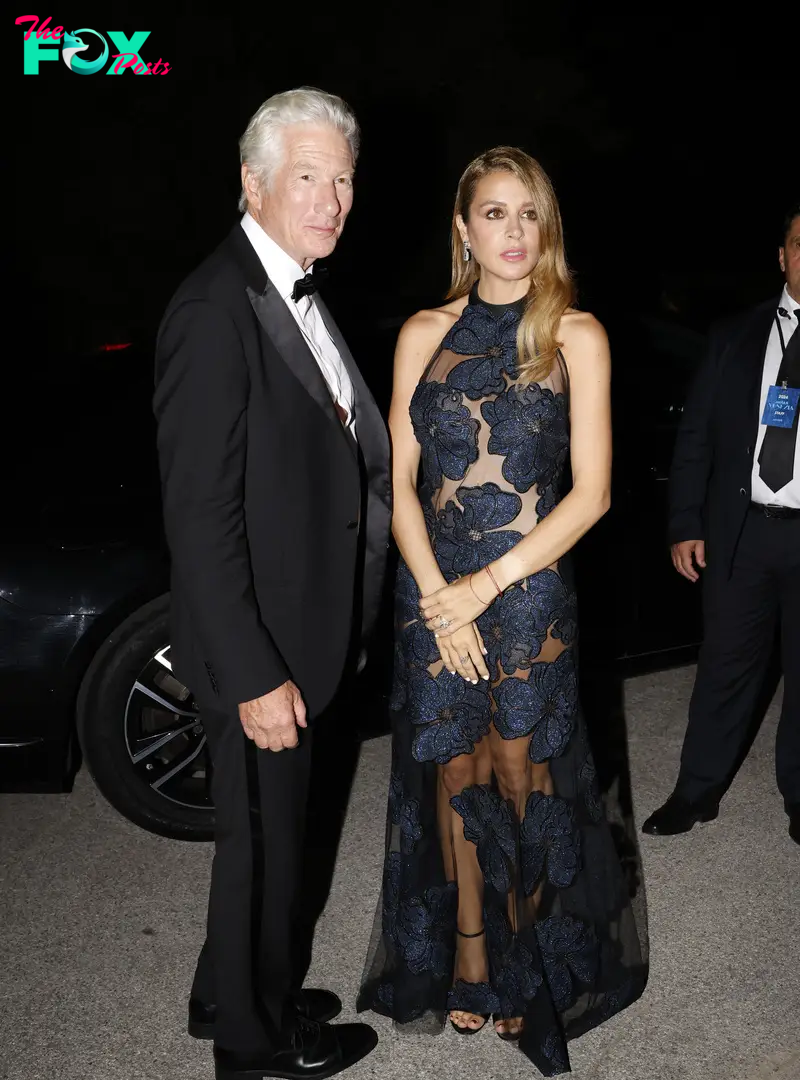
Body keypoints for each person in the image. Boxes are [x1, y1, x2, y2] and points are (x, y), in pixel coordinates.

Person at [357, 147, 646, 1076]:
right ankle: (472, 953)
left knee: (522, 781)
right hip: (431, 591)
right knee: (455, 774)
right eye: (494, 213)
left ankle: (526, 960)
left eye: (530, 215)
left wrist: (482, 588)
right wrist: (438, 594)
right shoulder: (420, 332)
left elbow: (592, 494)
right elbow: (397, 480)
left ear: (546, 229)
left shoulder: (579, 334)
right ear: (463, 227)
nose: (513, 232)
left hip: (526, 591)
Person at [153, 87, 391, 1080]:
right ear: (251, 183)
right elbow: (199, 519)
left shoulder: (291, 283)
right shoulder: (216, 309)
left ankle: (229, 992)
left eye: (341, 178)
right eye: (307, 176)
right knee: (265, 852)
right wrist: (252, 673)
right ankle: (252, 1048)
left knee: (259, 841)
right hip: (264, 648)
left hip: (304, 629)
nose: (331, 198)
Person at [643, 206, 800, 844]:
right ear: (783, 253)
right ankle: (697, 791)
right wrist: (684, 521)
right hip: (743, 533)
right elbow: (696, 438)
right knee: (725, 666)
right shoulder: (735, 334)